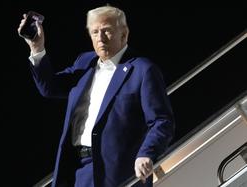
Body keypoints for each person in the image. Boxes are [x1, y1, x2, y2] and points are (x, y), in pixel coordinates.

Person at [18, 5, 175, 187]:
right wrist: (37, 48)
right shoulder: (85, 62)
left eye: (106, 31)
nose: (100, 38)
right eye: (94, 32)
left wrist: (146, 153)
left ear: (124, 34)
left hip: (117, 173)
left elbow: (162, 121)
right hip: (77, 171)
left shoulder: (143, 70)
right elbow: (50, 88)